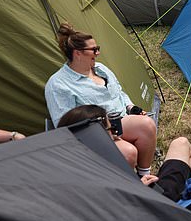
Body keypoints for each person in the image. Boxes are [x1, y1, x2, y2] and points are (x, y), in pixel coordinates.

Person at [44, 23, 157, 177]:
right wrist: (106, 130)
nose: (97, 53)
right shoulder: (58, 84)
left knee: (147, 125)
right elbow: (64, 125)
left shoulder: (101, 69)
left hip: (119, 122)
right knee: (128, 153)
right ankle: (128, 188)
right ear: (77, 53)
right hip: (94, 133)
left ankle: (144, 176)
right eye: (94, 49)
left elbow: (120, 93)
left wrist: (131, 107)